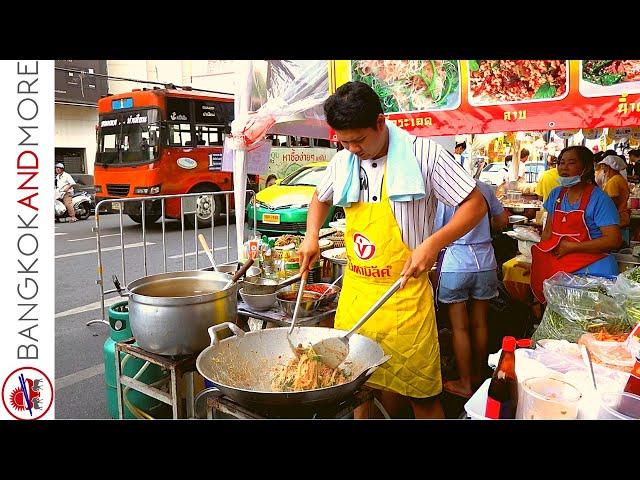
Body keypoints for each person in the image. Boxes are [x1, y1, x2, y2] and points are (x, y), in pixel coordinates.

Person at [298, 81, 487, 419]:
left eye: (359, 140)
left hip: (404, 297)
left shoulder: (424, 154)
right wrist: (311, 235)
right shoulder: (342, 162)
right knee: (359, 389)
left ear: (380, 122)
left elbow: (475, 205)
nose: (353, 149)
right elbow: (319, 197)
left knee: (421, 394)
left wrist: (433, 242)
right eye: (344, 141)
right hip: (357, 294)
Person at [434, 180, 509, 398]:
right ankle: (478, 374)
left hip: (455, 263)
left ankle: (465, 383)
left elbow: (436, 229)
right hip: (485, 262)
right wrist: (483, 229)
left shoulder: (442, 187)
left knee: (460, 328)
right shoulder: (484, 187)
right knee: (480, 323)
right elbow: (502, 220)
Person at [530, 146, 622, 303]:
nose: (564, 167)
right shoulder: (556, 194)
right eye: (561, 162)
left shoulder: (599, 199)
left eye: (571, 163)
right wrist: (538, 264)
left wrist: (572, 247)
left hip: (594, 272)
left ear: (585, 167)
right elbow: (547, 233)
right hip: (561, 270)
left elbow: (613, 240)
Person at [599, 154, 631, 246]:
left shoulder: (614, 181)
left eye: (604, 166)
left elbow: (613, 203)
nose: (603, 169)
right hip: (622, 217)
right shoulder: (619, 178)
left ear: (609, 167)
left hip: (617, 219)